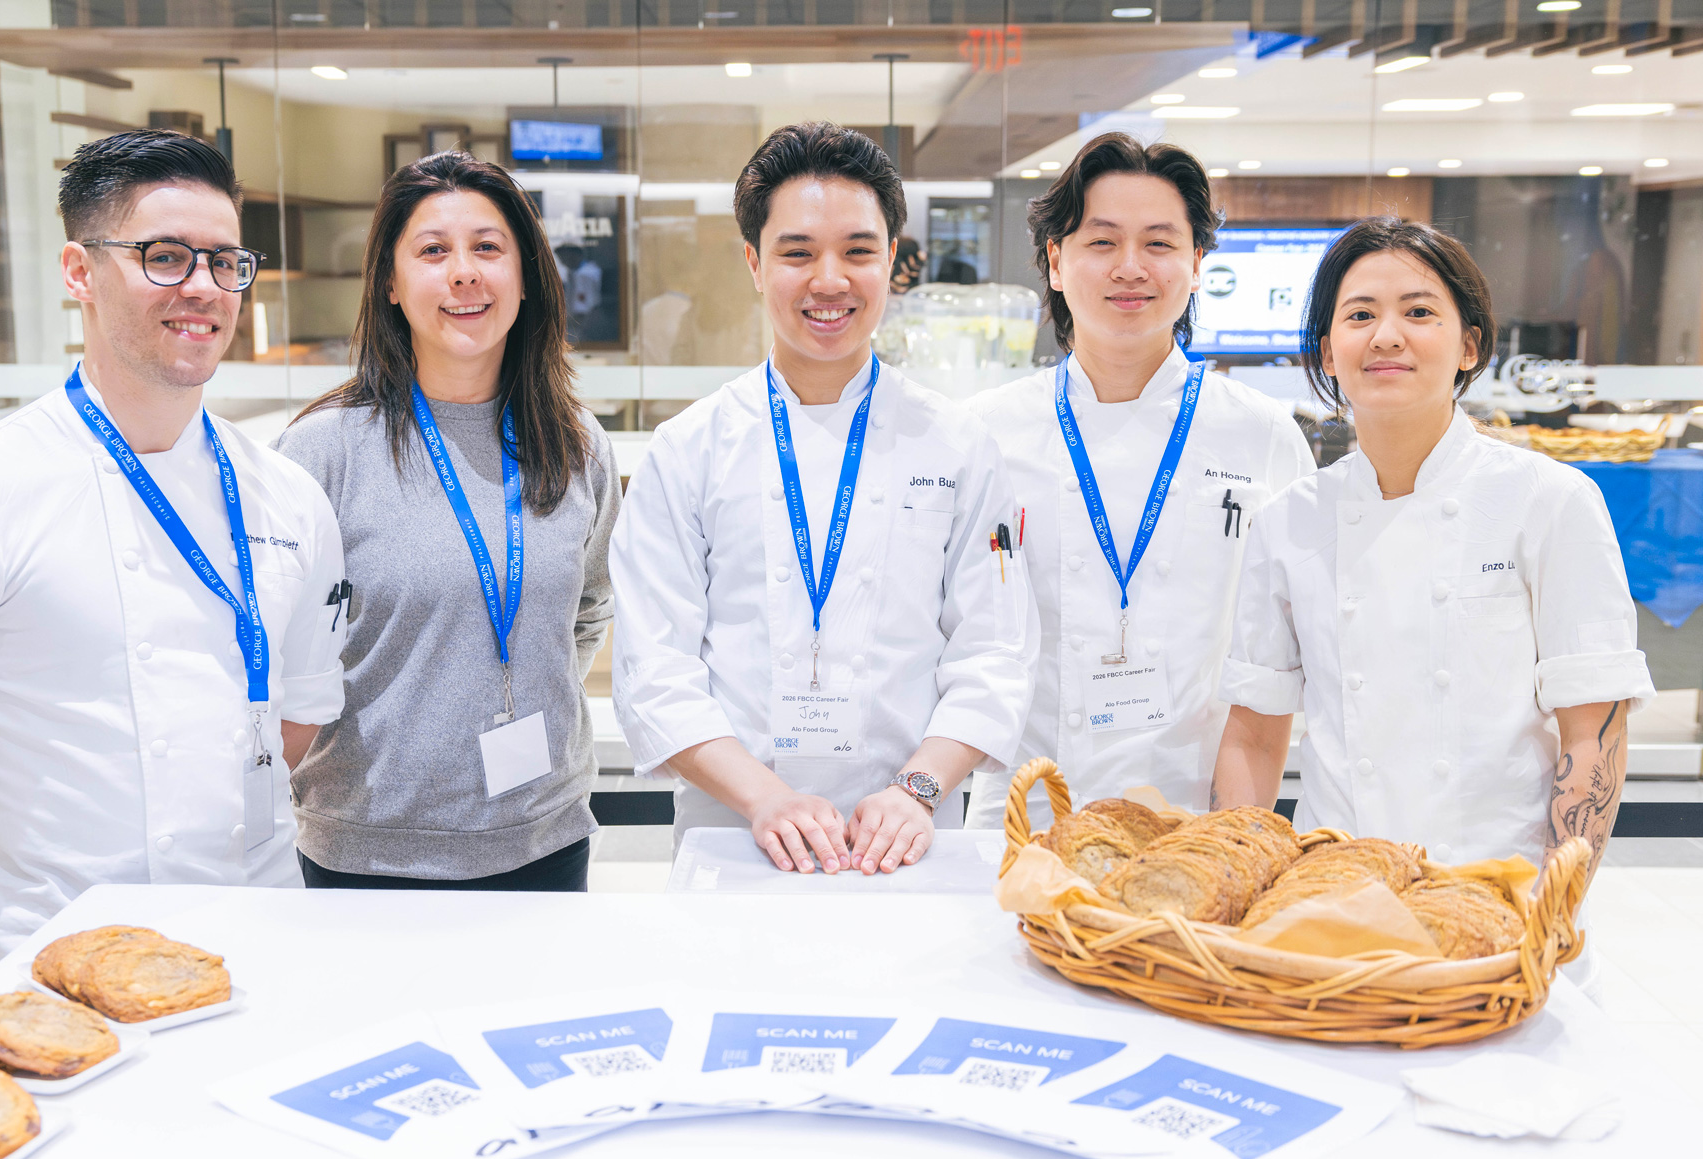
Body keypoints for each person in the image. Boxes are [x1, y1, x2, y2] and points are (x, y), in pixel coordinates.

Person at [0, 129, 347, 982]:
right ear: (77, 272)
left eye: (224, 261)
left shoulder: (288, 497)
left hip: (260, 940)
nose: (202, 288)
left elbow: (295, 718)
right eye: (164, 257)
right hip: (49, 964)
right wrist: (21, 880)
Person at [611, 122, 1030, 876]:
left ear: (893, 261)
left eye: (858, 251)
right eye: (798, 253)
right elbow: (655, 670)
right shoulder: (688, 449)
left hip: (909, 840)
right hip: (734, 840)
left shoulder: (958, 445)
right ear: (753, 262)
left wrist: (916, 789)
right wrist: (764, 798)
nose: (829, 280)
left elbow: (994, 652)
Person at [1211, 217, 1652, 877]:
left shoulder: (1549, 500)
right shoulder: (1289, 521)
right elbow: (1252, 733)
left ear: (1469, 346)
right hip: (1335, 896)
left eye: (1418, 312)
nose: (1387, 335)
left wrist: (1553, 909)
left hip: (1500, 897)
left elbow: (1593, 727)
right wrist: (1235, 881)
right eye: (1359, 314)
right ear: (1328, 353)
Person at [278, 151, 618, 892]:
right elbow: (277, 653)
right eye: (433, 251)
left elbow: (586, 611)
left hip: (545, 839)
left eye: (487, 248)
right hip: (368, 851)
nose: (464, 272)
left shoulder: (576, 442)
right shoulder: (322, 451)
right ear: (392, 285)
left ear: (525, 277)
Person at [963, 131, 1313, 835]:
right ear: (1056, 264)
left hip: (1195, 820)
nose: (1131, 267)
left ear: (1197, 264)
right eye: (1102, 242)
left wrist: (1233, 840)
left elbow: (1276, 660)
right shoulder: (985, 434)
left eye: (1159, 243)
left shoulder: (1262, 435)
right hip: (1019, 818)